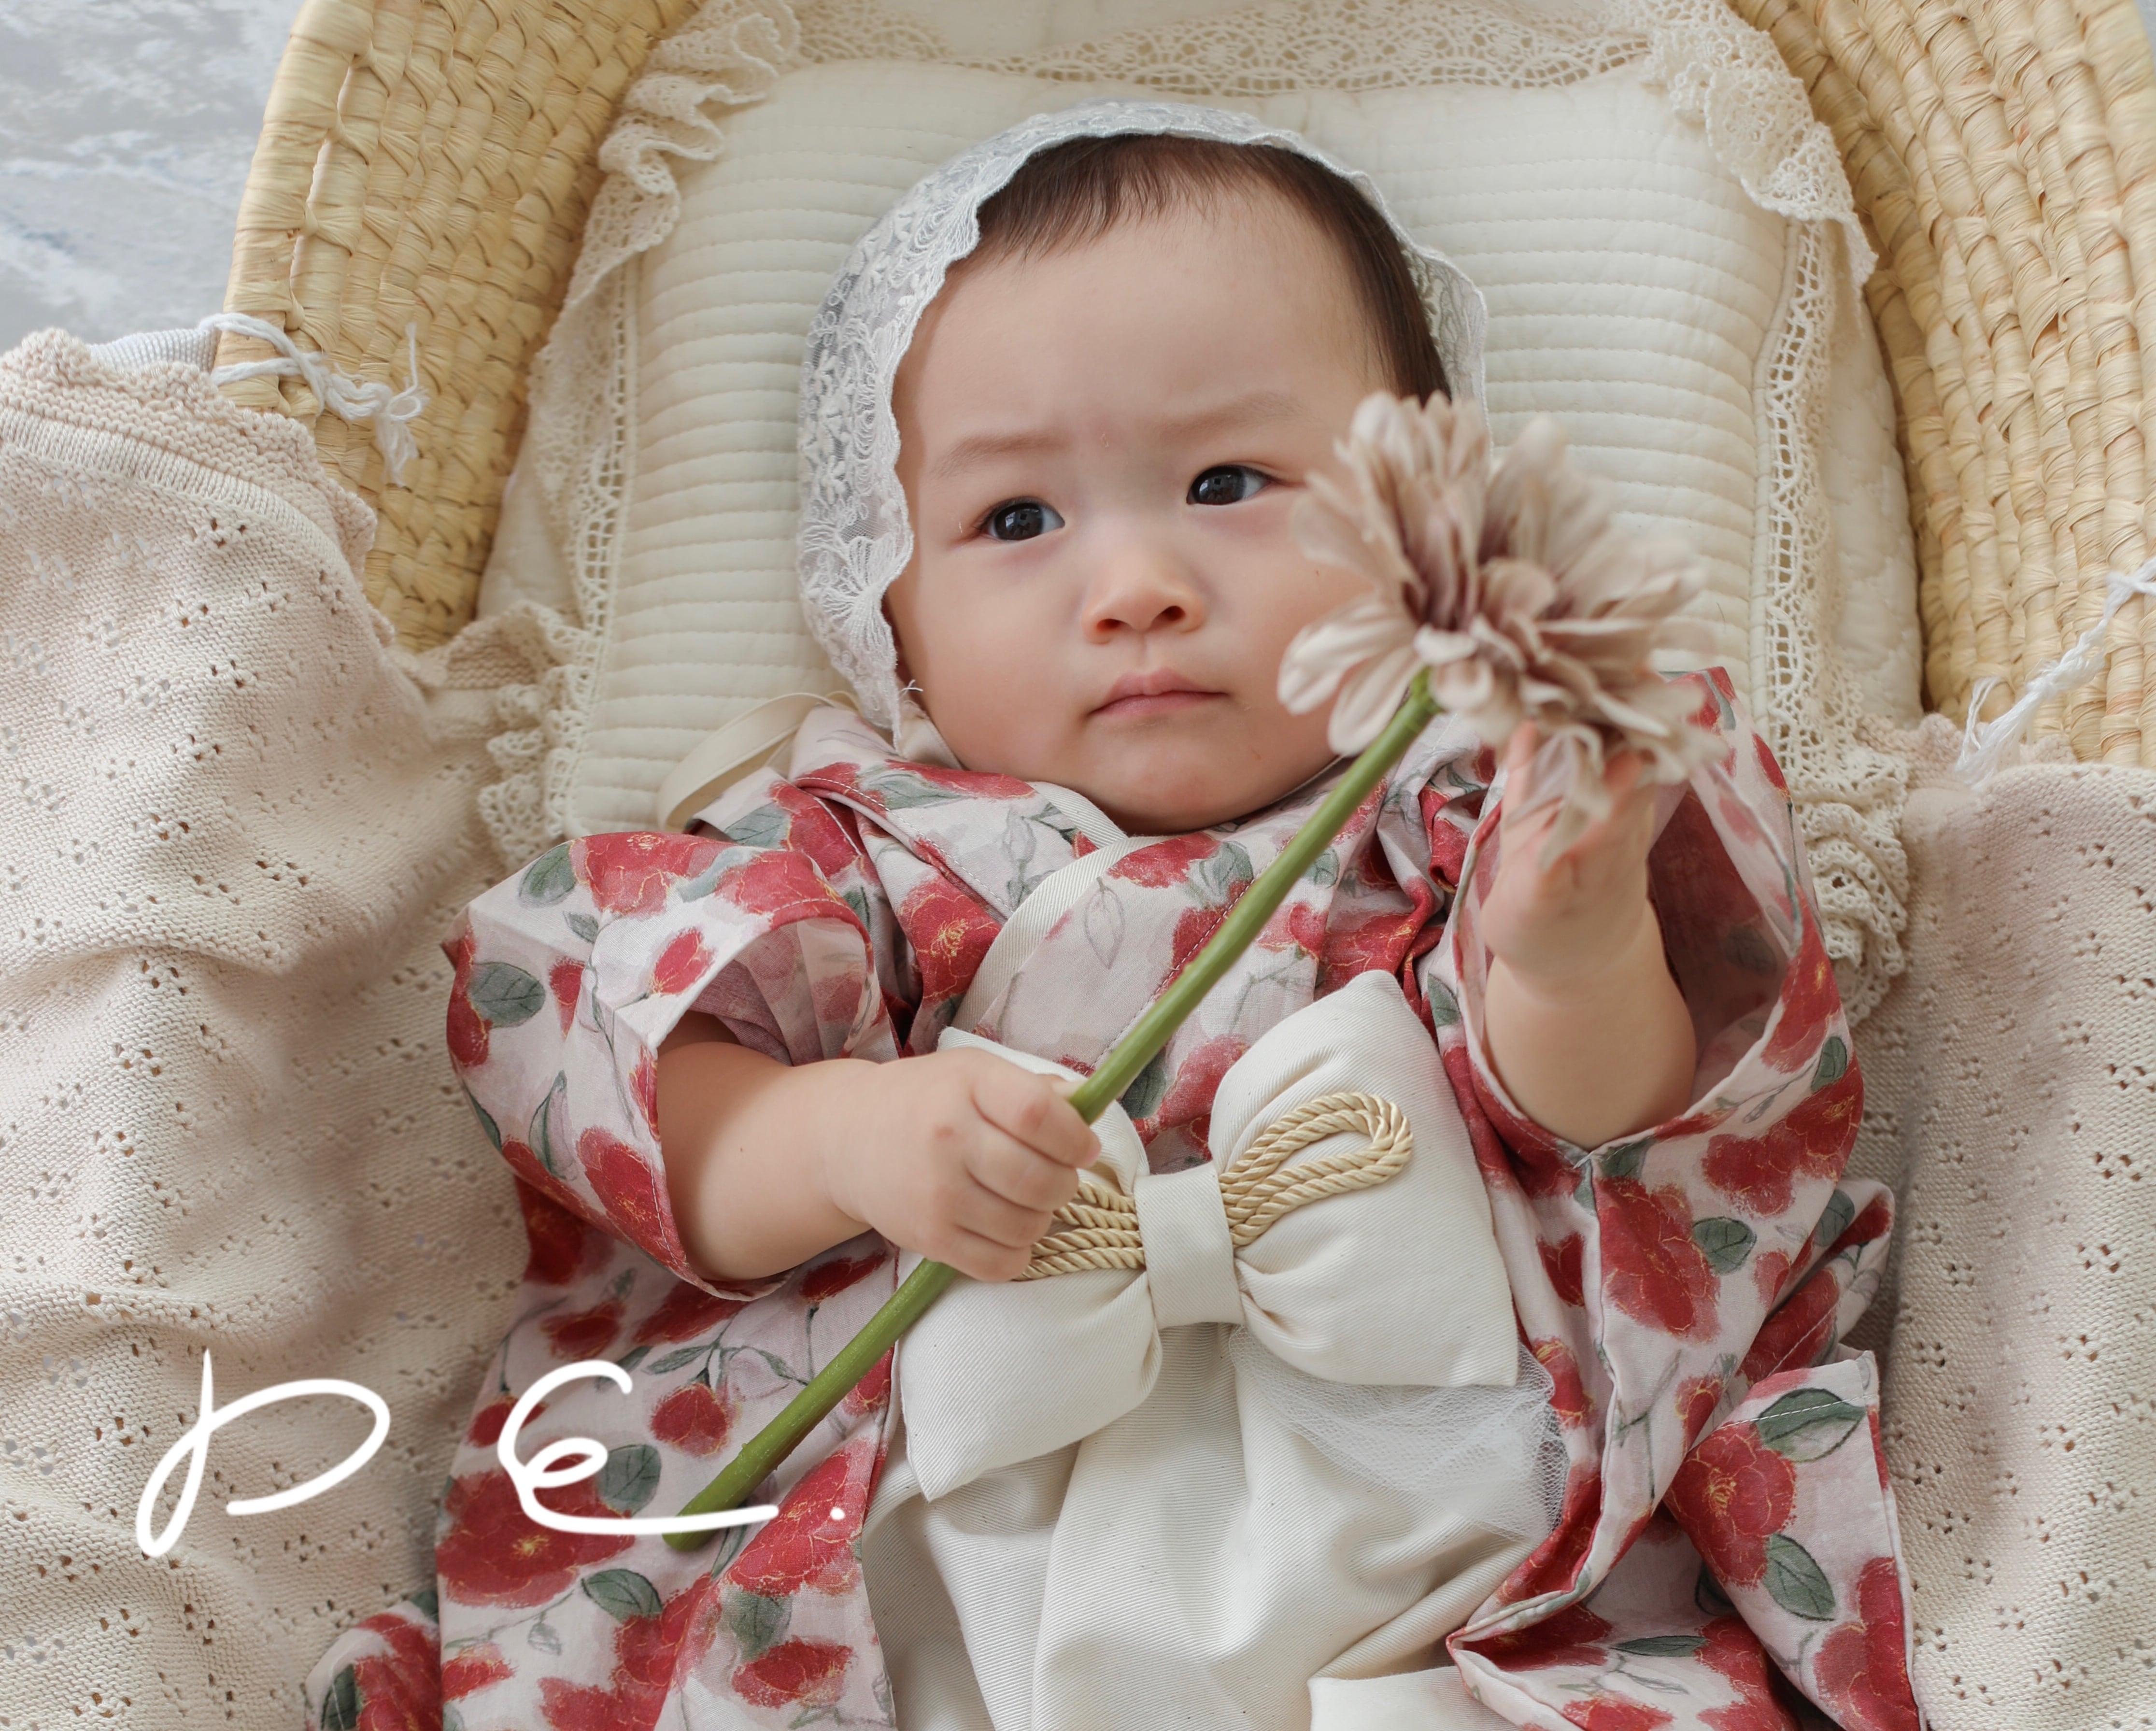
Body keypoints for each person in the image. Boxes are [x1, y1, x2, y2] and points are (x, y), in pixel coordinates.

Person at [421, 103, 1910, 1731]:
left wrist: (1571, 946)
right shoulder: (869, 850)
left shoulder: (1466, 808)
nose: (1135, 585)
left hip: (1431, 1534)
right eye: (1016, 521)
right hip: (964, 1533)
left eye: (1226, 482)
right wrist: (838, 1138)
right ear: (881, 603)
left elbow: (1621, 1144)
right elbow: (622, 1088)